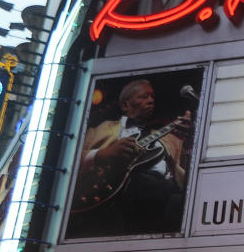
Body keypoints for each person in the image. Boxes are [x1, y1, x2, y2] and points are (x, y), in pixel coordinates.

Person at [71, 79, 191, 236]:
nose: (150, 100)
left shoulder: (170, 138)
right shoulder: (100, 129)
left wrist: (191, 136)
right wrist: (103, 154)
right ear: (125, 105)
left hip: (165, 194)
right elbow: (69, 162)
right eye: (144, 96)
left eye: (152, 97)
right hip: (119, 194)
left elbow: (188, 170)